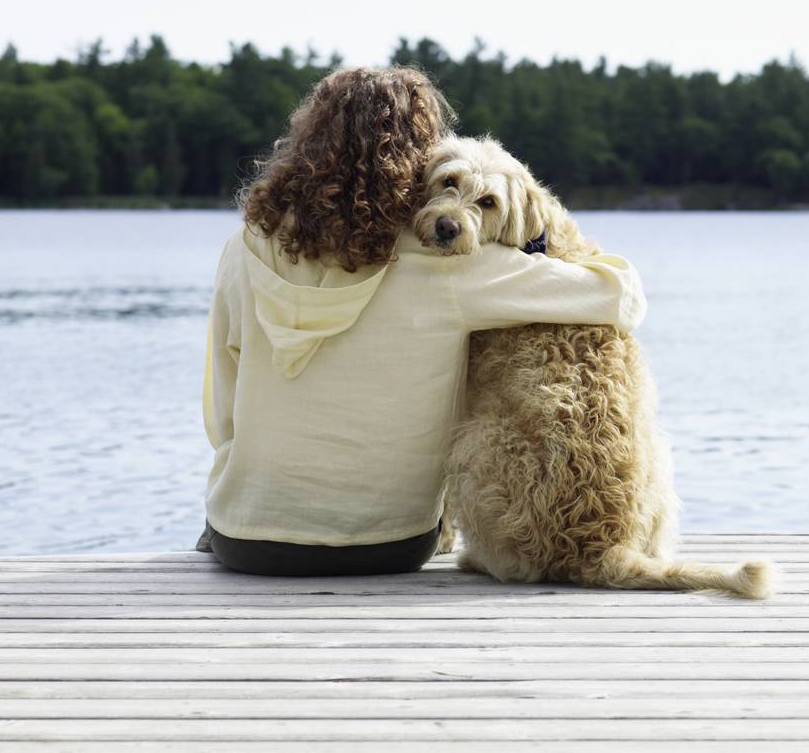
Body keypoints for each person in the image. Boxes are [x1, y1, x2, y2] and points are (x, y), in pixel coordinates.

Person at [198, 66, 645, 576]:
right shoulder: (452, 265)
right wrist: (545, 230)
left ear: (305, 143)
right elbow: (621, 297)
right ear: (416, 161)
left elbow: (221, 412)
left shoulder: (243, 247)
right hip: (390, 544)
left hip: (248, 540)